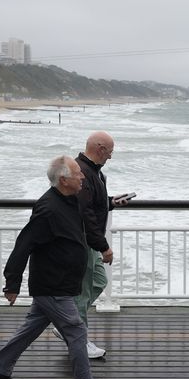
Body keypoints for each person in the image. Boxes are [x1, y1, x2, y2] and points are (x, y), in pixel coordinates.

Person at [0, 155, 122, 379]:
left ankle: (0, 369)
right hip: (52, 285)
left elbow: (88, 228)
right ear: (63, 180)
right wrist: (12, 283)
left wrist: (102, 247)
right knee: (77, 331)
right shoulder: (48, 209)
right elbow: (24, 244)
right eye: (77, 174)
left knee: (32, 328)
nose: (82, 177)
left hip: (63, 283)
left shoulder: (73, 200)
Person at [71, 130, 132, 359]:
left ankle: (68, 324)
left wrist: (111, 203)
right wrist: (104, 246)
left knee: (99, 281)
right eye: (110, 151)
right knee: (83, 292)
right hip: (83, 243)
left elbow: (93, 204)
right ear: (100, 149)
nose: (111, 157)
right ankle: (80, 340)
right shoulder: (83, 173)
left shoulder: (94, 172)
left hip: (89, 242)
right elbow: (85, 215)